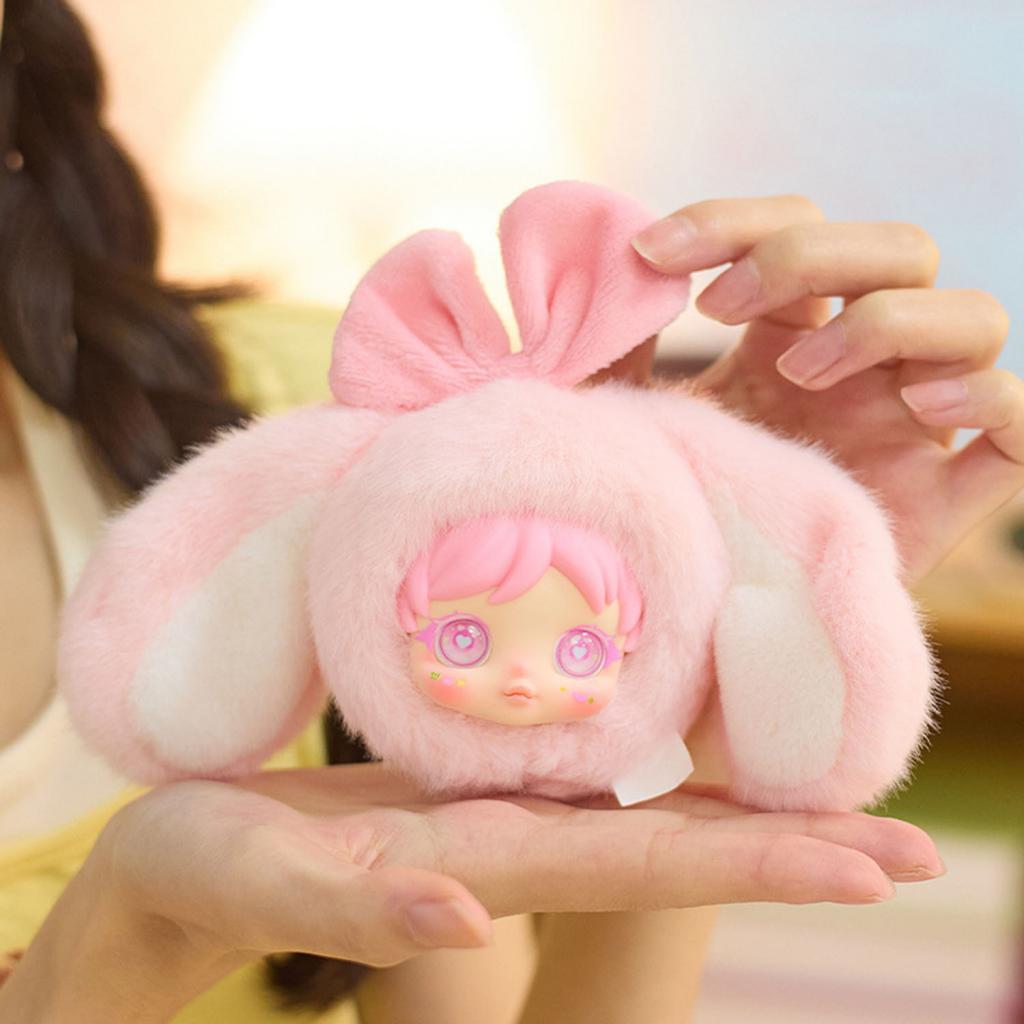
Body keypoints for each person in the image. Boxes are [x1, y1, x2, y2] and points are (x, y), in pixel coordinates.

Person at [1, 3, 1021, 1024]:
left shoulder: (326, 413)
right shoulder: (308, 488)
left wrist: (703, 683)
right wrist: (123, 944)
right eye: (463, 636)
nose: (525, 680)